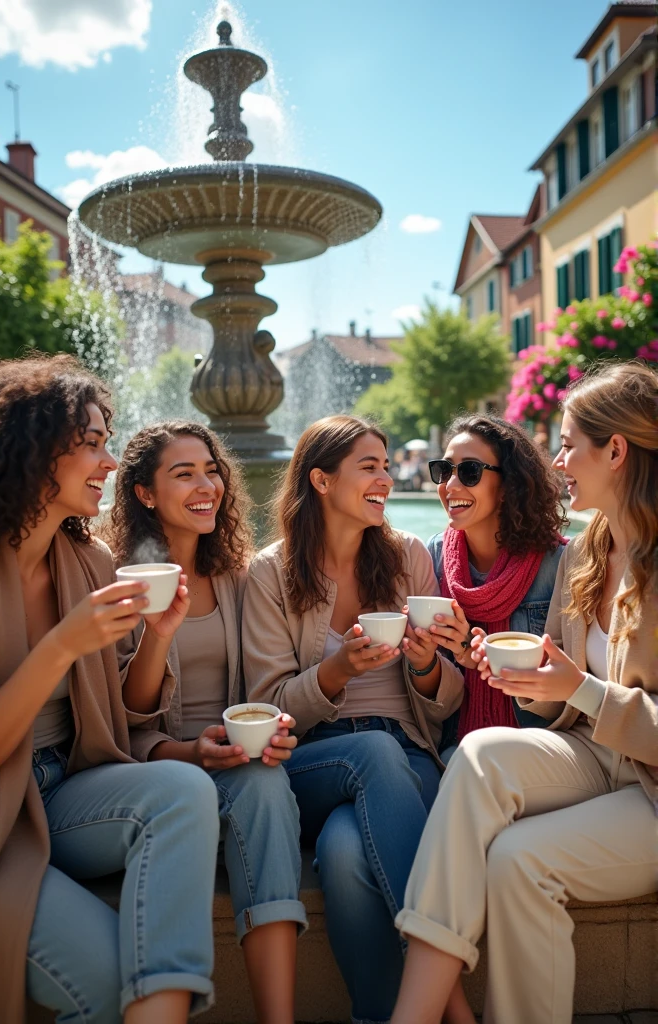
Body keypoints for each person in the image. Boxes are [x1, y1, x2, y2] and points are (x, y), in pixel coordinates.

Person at [391, 361, 658, 1024]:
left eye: (569, 444)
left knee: (517, 860)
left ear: (616, 451)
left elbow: (592, 696)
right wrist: (532, 681)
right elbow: (563, 704)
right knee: (481, 753)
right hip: (596, 756)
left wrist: (584, 691)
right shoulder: (590, 550)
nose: (559, 459)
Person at [0, 356, 220, 1024]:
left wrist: (159, 637)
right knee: (109, 981)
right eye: (90, 444)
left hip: (65, 789)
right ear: (28, 450)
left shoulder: (87, 561)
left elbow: (124, 713)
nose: (110, 463)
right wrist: (62, 644)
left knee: (185, 792)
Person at [243, 415, 464, 1024]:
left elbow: (443, 706)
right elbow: (267, 706)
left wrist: (424, 668)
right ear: (320, 479)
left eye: (387, 464)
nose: (385, 479)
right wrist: (337, 671)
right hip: (315, 762)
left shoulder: (407, 557)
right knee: (371, 752)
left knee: (343, 854)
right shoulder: (270, 572)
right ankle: (452, 1003)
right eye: (369, 466)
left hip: (410, 757)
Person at [105, 421, 306, 1024]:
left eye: (212, 470)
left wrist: (274, 726)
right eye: (183, 473)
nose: (206, 485)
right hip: (154, 767)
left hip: (231, 760)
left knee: (267, 784)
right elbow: (125, 718)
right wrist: (189, 750)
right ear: (144, 494)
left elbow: (264, 685)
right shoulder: (117, 578)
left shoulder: (237, 575)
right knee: (212, 784)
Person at [426, 414, 567, 763]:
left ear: (507, 486)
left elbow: (571, 698)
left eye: (469, 471)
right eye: (444, 470)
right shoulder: (433, 557)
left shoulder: (559, 563)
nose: (450, 485)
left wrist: (494, 666)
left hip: (539, 746)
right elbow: (425, 698)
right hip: (450, 745)